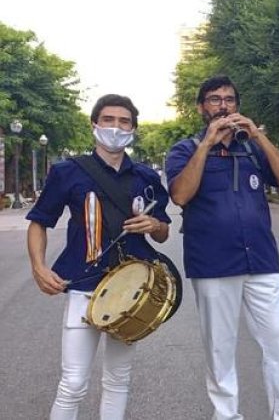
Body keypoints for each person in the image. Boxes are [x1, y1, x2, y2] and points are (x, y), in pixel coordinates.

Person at [26, 94, 172, 419]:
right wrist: (38, 267)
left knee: (118, 379)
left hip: (131, 290)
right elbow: (39, 222)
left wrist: (155, 224)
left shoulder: (146, 177)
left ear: (133, 129)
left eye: (124, 121)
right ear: (94, 124)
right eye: (108, 120)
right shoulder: (67, 172)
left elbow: (163, 232)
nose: (115, 128)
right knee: (74, 382)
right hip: (83, 285)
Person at [165, 75, 279, 420]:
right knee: (220, 349)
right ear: (201, 108)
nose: (223, 106)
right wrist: (206, 145)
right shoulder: (185, 149)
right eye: (214, 99)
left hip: (262, 262)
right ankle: (226, 415)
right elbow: (180, 194)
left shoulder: (252, 148)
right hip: (213, 265)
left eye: (229, 100)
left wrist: (258, 135)